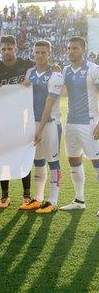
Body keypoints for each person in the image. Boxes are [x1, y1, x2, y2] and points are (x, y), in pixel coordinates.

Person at [0, 35, 35, 208]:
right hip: (3, 119)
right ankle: (4, 196)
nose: (7, 52)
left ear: (16, 48)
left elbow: (43, 72)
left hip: (24, 118)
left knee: (24, 155)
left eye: (10, 48)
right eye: (4, 49)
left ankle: (26, 195)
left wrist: (54, 67)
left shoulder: (28, 65)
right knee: (4, 156)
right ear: (0, 50)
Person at [58, 36, 99, 214]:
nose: (71, 51)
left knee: (97, 162)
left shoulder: (93, 69)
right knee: (73, 159)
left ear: (83, 50)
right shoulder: (66, 70)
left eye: (74, 48)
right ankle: (79, 199)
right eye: (69, 48)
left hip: (90, 122)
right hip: (71, 122)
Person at [25, 40, 64, 214]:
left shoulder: (55, 75)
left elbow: (49, 103)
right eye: (37, 52)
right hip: (33, 123)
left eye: (43, 52)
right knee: (38, 161)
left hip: (49, 124)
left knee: (53, 162)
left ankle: (53, 201)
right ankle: (38, 198)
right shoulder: (30, 72)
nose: (40, 55)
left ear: (49, 53)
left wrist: (39, 129)